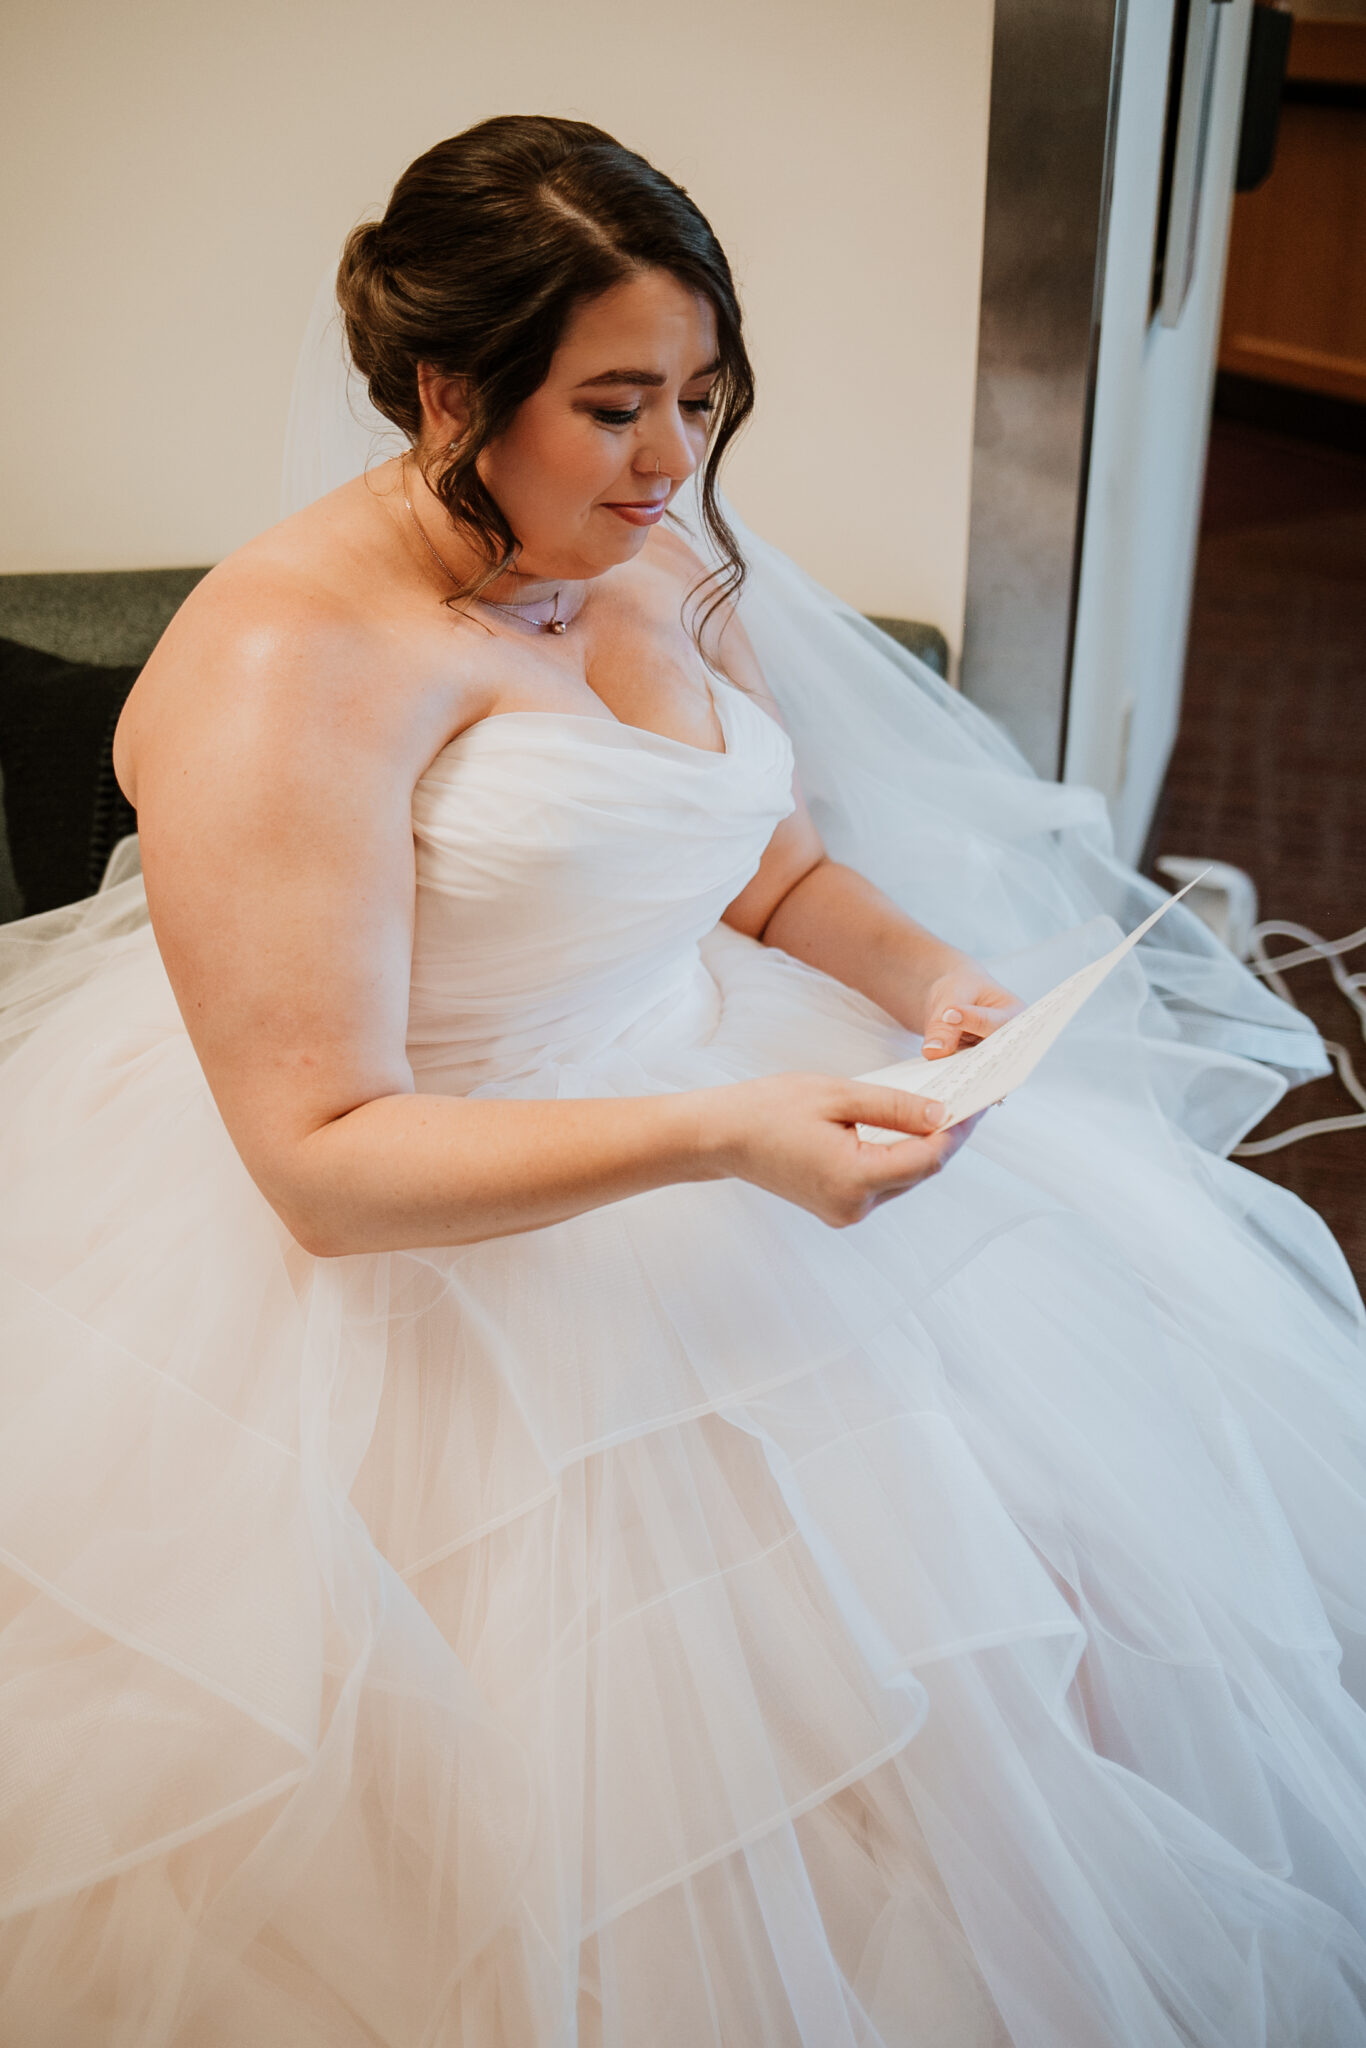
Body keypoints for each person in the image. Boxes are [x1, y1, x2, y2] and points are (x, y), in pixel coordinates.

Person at [0, 114, 1363, 2048]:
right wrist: (725, 1135)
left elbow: (768, 862)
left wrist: (928, 978)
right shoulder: (289, 663)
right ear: (449, 389)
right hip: (430, 1242)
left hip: (716, 1093)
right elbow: (316, 1159)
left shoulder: (635, 545)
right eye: (617, 404)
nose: (673, 466)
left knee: (1012, 1678)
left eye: (702, 399)